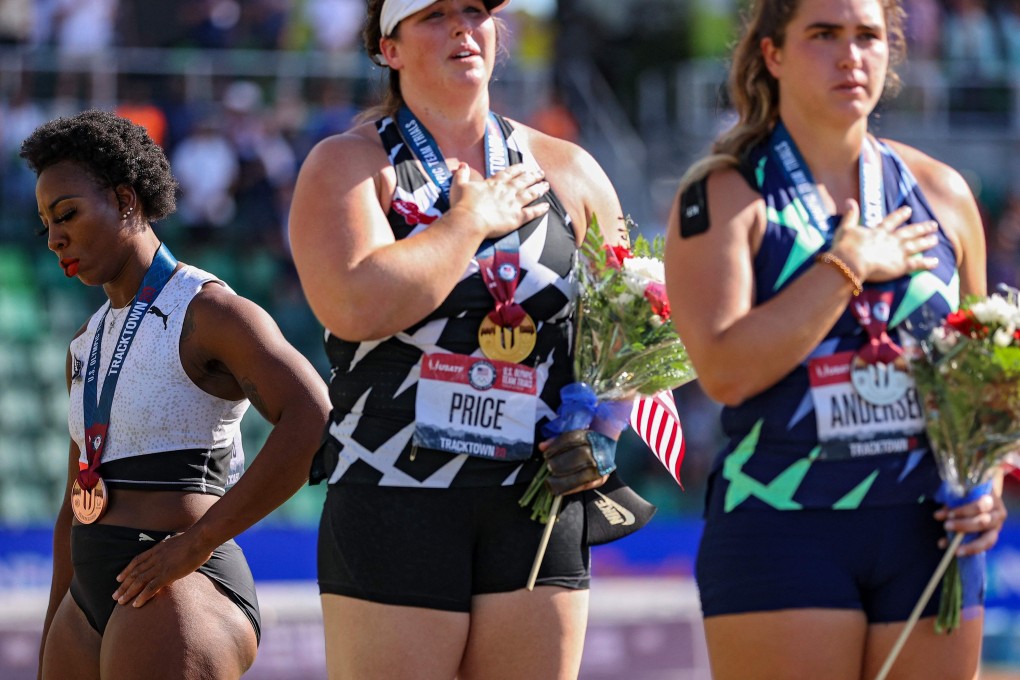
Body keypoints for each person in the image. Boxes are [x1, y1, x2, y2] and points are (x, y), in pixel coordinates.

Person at [287, 0, 633, 678]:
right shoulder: (349, 165)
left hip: (535, 500)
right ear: (389, 48)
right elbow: (354, 304)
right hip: (396, 491)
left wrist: (606, 425)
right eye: (435, 13)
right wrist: (467, 224)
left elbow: (636, 326)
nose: (462, 27)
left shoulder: (568, 168)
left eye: (475, 11)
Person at [663, 1, 1006, 678]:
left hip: (928, 530)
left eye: (867, 36)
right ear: (773, 55)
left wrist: (987, 477)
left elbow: (982, 379)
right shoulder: (726, 194)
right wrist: (845, 267)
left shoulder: (943, 192)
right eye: (823, 35)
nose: (850, 55)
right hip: (784, 522)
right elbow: (724, 372)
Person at [22, 109, 331, 680]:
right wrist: (52, 634)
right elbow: (74, 501)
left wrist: (197, 544)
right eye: (45, 224)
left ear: (126, 201)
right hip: (85, 603)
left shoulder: (208, 309)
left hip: (178, 583)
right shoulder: (83, 344)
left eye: (66, 214)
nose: (54, 238)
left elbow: (312, 416)